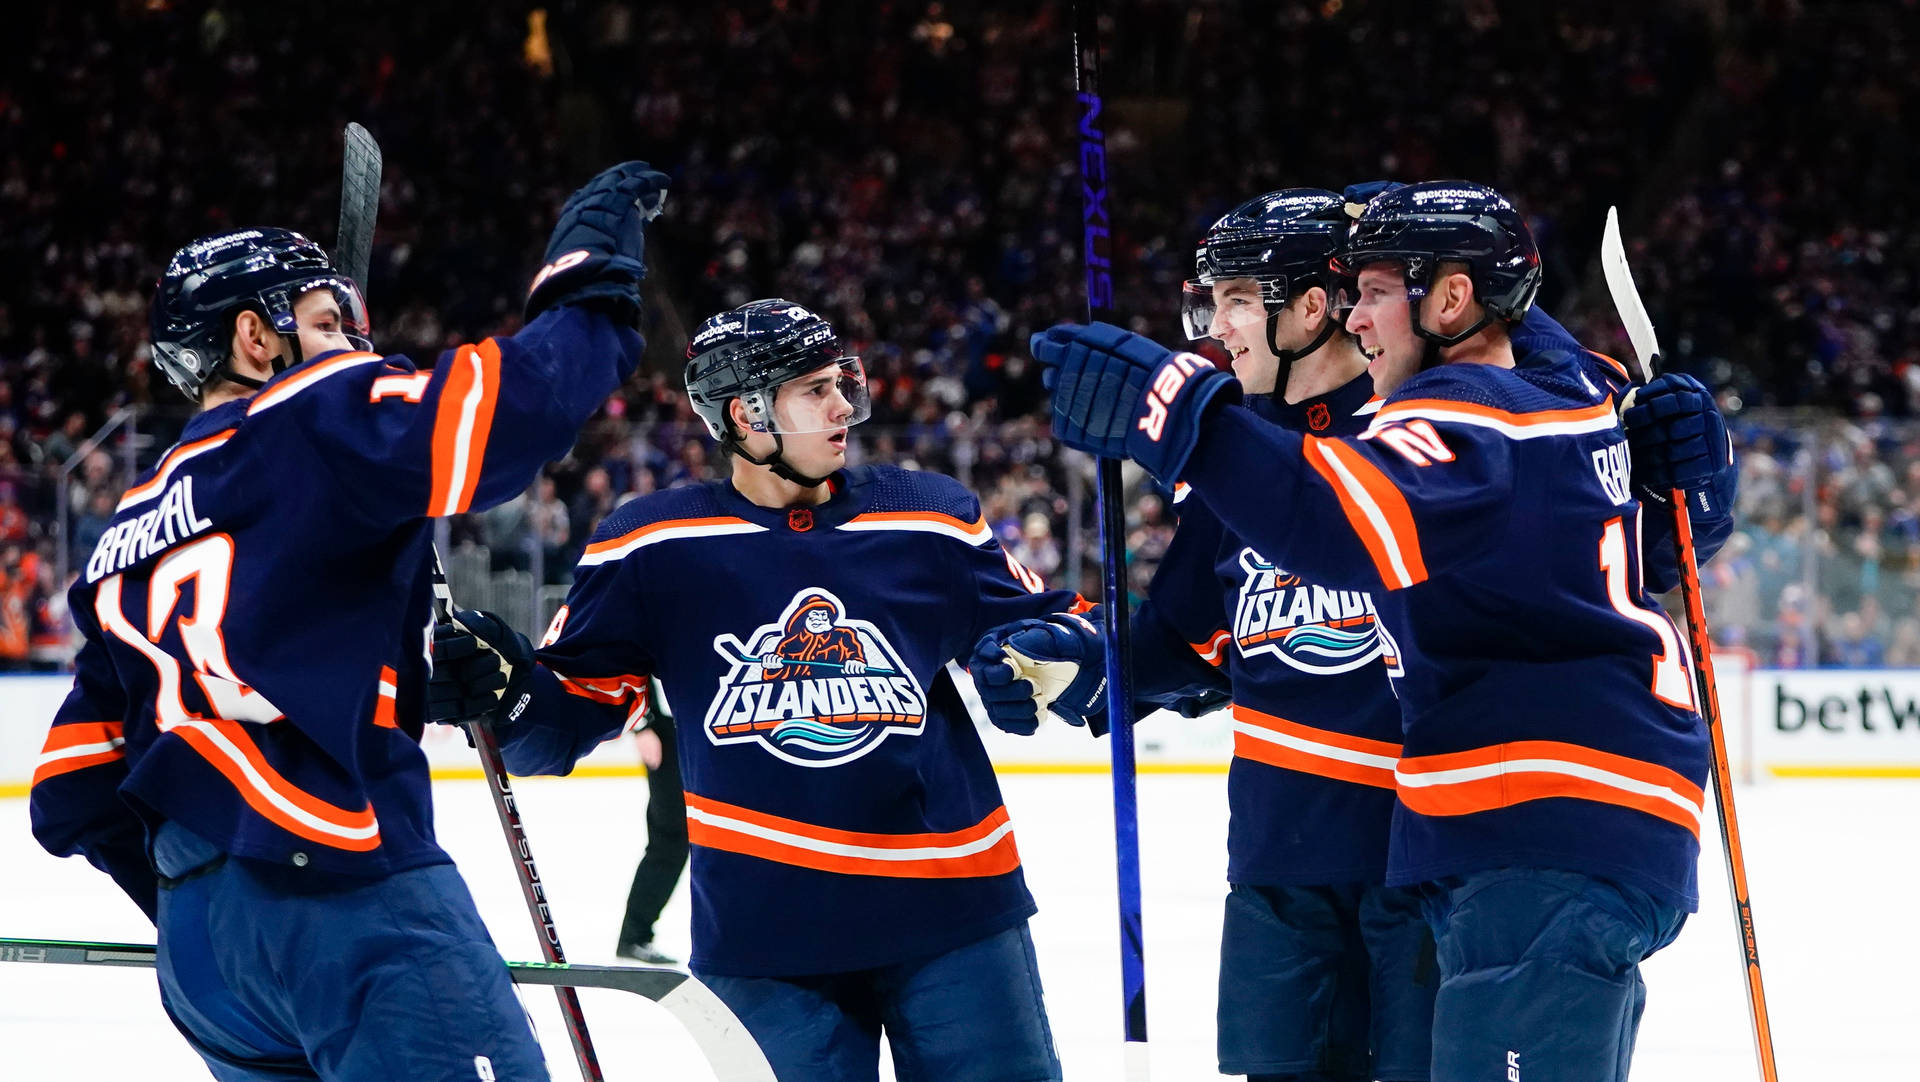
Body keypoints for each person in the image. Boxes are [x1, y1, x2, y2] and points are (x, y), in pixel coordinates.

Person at [1025, 180, 1732, 1082]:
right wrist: (1084, 661)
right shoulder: (1550, 385)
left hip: (1506, 826)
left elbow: (1346, 519)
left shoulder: (1452, 410)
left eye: (1238, 299)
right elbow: (1190, 639)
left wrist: (1177, 415)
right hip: (1367, 847)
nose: (1214, 326)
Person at [29, 160, 669, 1081]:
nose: (353, 349)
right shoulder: (307, 415)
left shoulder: (124, 536)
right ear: (255, 338)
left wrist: (206, 896)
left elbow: (70, 786)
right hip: (344, 893)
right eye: (328, 325)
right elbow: (511, 411)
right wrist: (588, 283)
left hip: (206, 953)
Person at [428, 299, 1089, 1082]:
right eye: (816, 389)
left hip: (956, 919)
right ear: (745, 414)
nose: (845, 404)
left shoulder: (930, 517)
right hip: (766, 941)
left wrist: (1053, 657)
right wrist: (506, 692)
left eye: (842, 381)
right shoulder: (651, 545)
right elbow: (561, 725)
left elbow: (1066, 631)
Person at [615, 676, 688, 966]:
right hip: (667, 731)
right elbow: (627, 664)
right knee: (670, 838)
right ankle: (634, 936)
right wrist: (642, 726)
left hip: (714, 727)